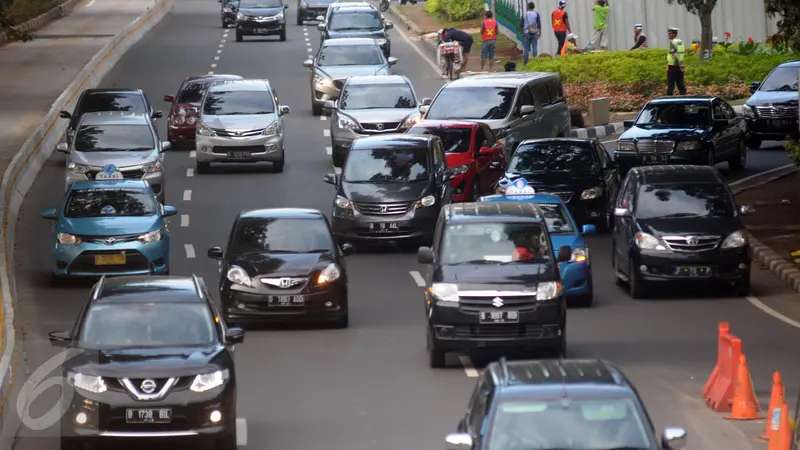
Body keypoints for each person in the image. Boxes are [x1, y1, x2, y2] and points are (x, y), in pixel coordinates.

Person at [666, 26, 686, 95]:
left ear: (674, 34)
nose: (668, 35)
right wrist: (681, 64)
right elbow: (681, 53)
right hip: (680, 65)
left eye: (670, 33)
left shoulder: (673, 42)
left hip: (673, 66)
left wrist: (679, 64)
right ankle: (683, 99)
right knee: (681, 84)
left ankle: (669, 101)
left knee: (670, 85)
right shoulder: (680, 42)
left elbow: (675, 54)